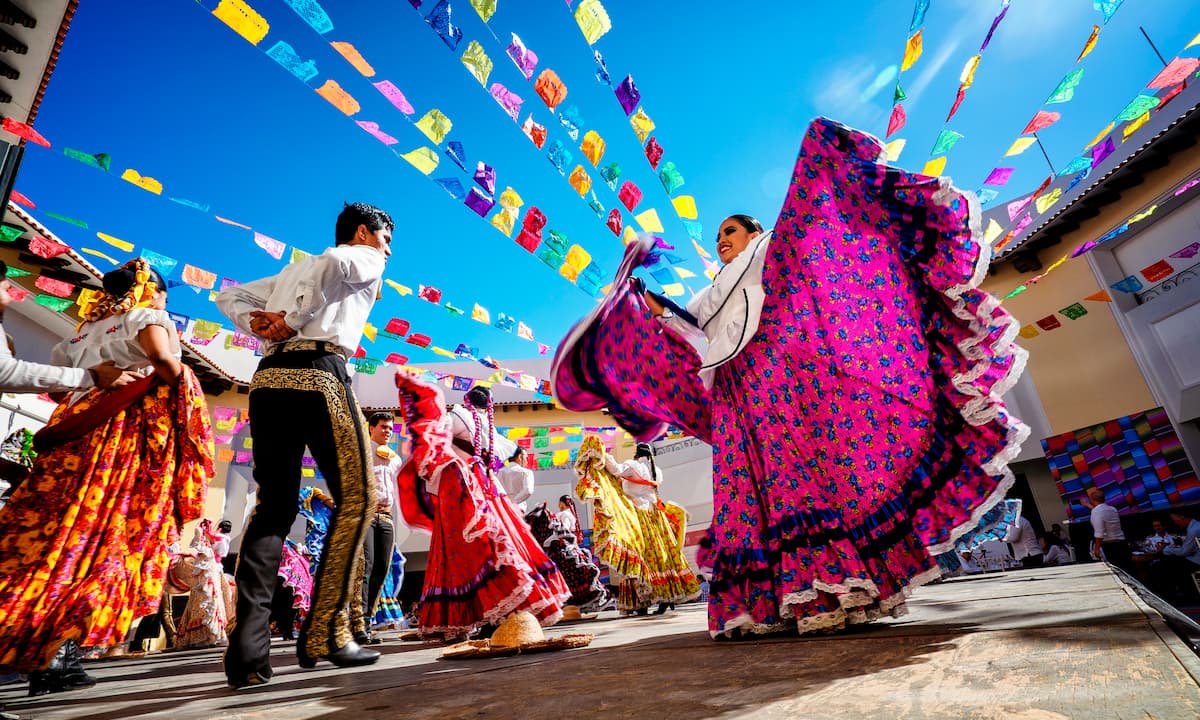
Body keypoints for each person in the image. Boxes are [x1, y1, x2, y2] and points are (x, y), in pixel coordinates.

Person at [553, 118, 1028, 638]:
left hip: (782, 382)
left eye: (729, 232)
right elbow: (686, 330)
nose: (721, 242)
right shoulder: (716, 286)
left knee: (805, 478)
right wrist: (643, 306)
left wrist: (818, 169)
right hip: (736, 393)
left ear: (754, 231)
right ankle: (778, 600)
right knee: (752, 490)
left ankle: (838, 585)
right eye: (716, 238)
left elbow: (810, 254)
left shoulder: (774, 249)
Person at [0, 258, 213, 694]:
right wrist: (178, 384)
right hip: (122, 436)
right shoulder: (149, 316)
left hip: (72, 432)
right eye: (164, 294)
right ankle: (57, 653)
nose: (163, 301)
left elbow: (58, 390)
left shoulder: (80, 332)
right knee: (107, 538)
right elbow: (161, 358)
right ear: (150, 291)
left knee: (51, 536)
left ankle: (46, 648)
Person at [218, 202, 392, 688]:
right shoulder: (360, 256)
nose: (389, 250)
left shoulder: (292, 268)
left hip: (269, 379)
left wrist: (259, 324)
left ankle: (247, 655)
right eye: (386, 238)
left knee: (273, 507)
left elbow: (227, 295)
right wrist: (294, 320)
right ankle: (328, 631)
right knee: (360, 497)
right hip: (319, 375)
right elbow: (338, 264)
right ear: (364, 232)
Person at [394, 373, 569, 639]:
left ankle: (490, 614)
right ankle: (499, 614)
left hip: (467, 491)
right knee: (499, 547)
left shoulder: (458, 417)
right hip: (491, 490)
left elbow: (434, 438)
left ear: (466, 399)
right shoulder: (491, 430)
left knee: (470, 553)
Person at [574, 439, 700, 617]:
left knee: (640, 555)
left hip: (639, 516)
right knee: (661, 556)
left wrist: (601, 453)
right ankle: (667, 597)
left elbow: (615, 469)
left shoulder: (634, 466)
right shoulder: (657, 471)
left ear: (637, 454)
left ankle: (642, 601)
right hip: (657, 516)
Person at [0, 260, 138, 395]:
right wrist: (93, 377)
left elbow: (55, 393)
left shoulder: (81, 332)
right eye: (6, 289)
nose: (9, 297)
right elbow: (5, 373)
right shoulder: (144, 319)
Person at [353, 412, 402, 646]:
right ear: (371, 428)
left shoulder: (395, 459)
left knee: (382, 570)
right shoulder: (361, 452)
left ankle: (368, 621)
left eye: (390, 428)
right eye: (383, 427)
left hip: (387, 517)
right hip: (367, 515)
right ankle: (358, 623)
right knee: (366, 566)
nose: (388, 431)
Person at [524, 502, 610, 613]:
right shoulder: (565, 515)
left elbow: (562, 530)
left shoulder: (563, 515)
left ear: (562, 504)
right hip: (561, 545)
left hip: (560, 546)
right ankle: (580, 603)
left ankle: (581, 602)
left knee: (572, 571)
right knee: (572, 571)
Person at [1083, 487, 1131, 572]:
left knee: (1117, 572)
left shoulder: (1096, 512)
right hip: (1122, 544)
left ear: (1092, 500)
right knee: (1127, 570)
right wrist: (1087, 504)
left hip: (1111, 546)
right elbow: (1100, 511)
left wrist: (1096, 549)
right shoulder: (1112, 509)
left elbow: (1099, 532)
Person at [497, 446, 535, 513]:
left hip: (502, 510)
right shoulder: (526, 472)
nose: (527, 461)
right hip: (518, 509)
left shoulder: (499, 472)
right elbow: (528, 490)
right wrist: (513, 502)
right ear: (520, 457)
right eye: (526, 458)